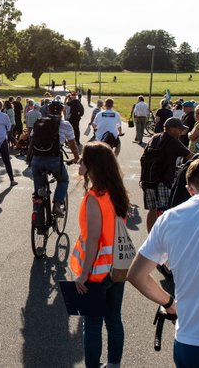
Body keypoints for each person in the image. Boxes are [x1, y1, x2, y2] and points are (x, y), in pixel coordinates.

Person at [128, 157, 199, 367]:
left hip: (189, 340)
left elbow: (136, 276)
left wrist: (170, 305)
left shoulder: (169, 218)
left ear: (190, 189)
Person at [70, 141, 130, 368]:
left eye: (83, 160)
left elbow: (93, 238)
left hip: (96, 271)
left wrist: (83, 274)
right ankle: (114, 364)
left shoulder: (94, 198)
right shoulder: (117, 192)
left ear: (92, 165)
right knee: (114, 320)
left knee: (92, 324)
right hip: (117, 267)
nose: (79, 162)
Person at [140, 117, 193, 232]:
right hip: (163, 181)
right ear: (171, 129)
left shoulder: (154, 137)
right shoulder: (173, 141)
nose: (181, 132)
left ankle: (151, 236)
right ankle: (164, 237)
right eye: (179, 129)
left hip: (147, 180)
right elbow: (191, 157)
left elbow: (143, 158)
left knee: (152, 210)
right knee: (167, 210)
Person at [31, 101, 80, 217]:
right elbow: (72, 144)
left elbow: (32, 138)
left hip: (37, 159)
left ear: (48, 110)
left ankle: (38, 221)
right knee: (63, 180)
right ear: (62, 111)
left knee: (38, 192)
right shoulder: (65, 124)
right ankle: (57, 205)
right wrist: (76, 157)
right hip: (54, 159)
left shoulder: (40, 122)